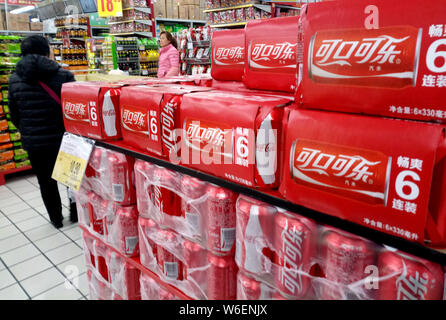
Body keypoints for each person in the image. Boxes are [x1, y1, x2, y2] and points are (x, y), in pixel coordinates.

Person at [8, 35, 77, 229]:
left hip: (35, 142)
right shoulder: (64, 75)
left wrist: (28, 129)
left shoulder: (14, 79)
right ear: (47, 52)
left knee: (45, 181)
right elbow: (74, 110)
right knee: (71, 177)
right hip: (64, 138)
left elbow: (14, 114)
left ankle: (56, 218)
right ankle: (76, 212)